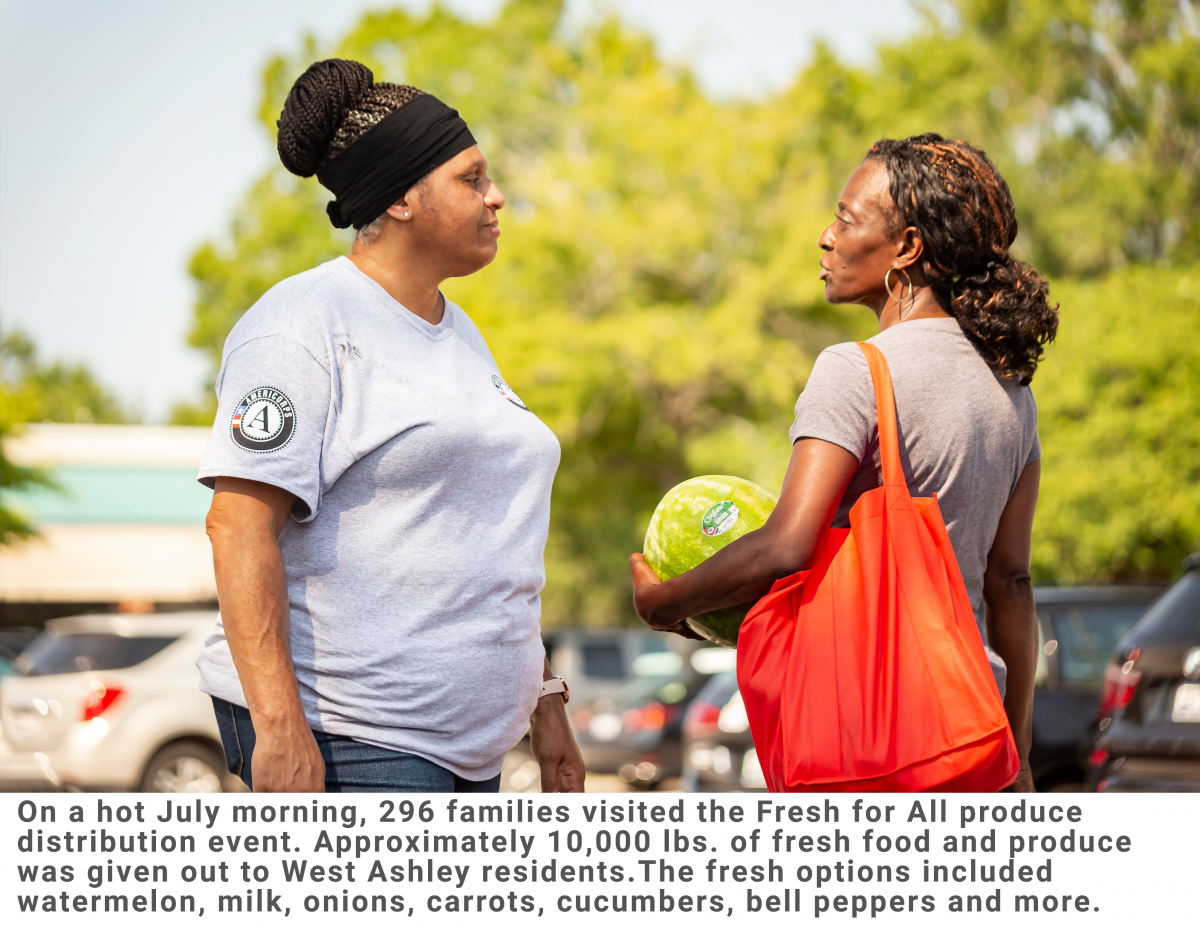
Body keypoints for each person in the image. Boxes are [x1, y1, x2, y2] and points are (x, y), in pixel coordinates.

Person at [197, 59, 584, 793]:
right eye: (472, 179)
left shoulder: (460, 332)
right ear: (403, 199)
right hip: (353, 739)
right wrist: (279, 726)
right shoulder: (300, 324)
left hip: (465, 753)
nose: (497, 197)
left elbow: (481, 539)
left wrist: (543, 697)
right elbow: (237, 525)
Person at [630, 133, 1058, 793]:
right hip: (974, 742)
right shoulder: (1013, 393)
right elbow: (1012, 583)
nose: (825, 238)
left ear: (908, 248)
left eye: (846, 219)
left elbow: (786, 545)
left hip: (872, 739)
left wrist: (667, 603)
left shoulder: (856, 370)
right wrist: (1020, 754)